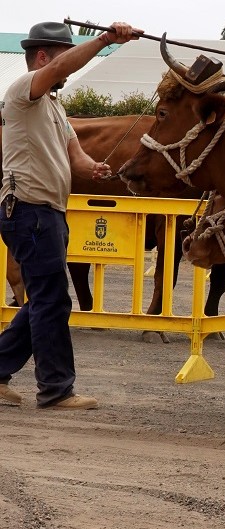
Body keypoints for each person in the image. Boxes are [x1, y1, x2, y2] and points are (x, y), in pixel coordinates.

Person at [0, 20, 141, 409]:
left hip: (45, 214)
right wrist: (106, 40)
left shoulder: (54, 108)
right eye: (63, 56)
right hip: (29, 210)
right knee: (51, 300)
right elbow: (62, 70)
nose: (68, 68)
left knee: (46, 299)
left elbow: (75, 157)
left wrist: (93, 168)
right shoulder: (22, 92)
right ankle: (56, 389)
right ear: (43, 58)